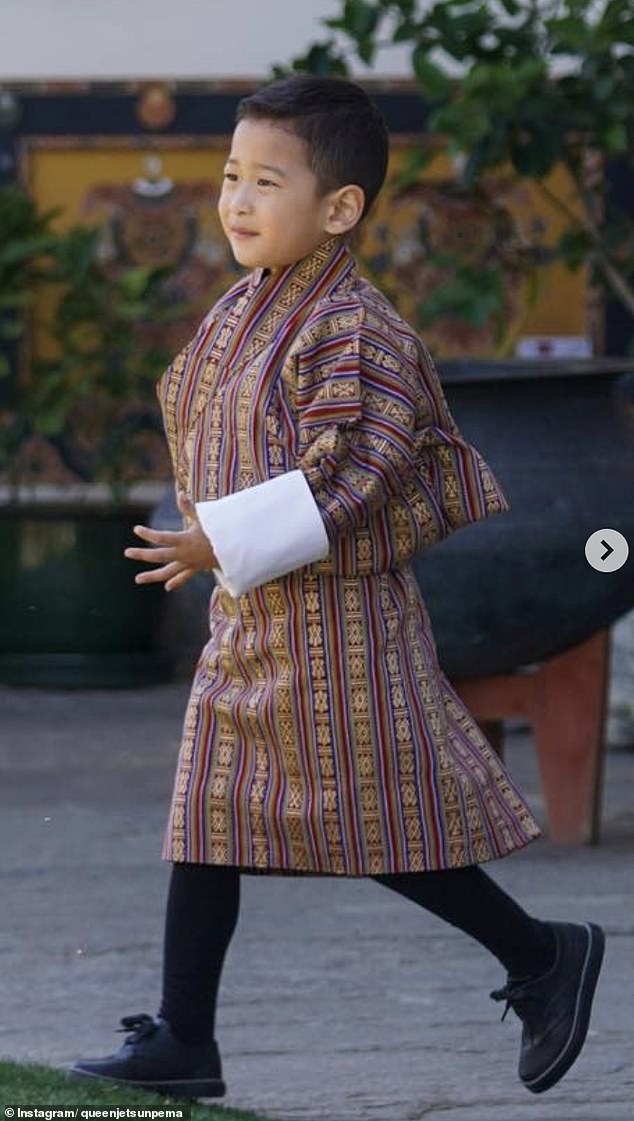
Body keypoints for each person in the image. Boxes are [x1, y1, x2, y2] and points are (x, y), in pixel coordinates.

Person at [71, 75, 604, 1102]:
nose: (235, 199)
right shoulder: (250, 303)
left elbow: (353, 471)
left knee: (377, 822)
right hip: (254, 611)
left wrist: (212, 539)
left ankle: (541, 953)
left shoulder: (355, 325)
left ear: (340, 207)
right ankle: (186, 1035)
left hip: (337, 622)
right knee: (208, 814)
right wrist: (214, 549)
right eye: (231, 175)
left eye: (266, 180)